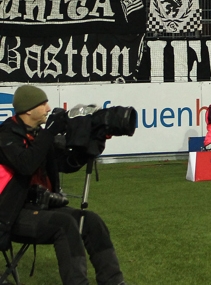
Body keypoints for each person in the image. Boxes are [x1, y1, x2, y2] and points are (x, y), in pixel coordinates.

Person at [0, 85, 127, 285]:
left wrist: (92, 145)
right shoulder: (5, 137)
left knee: (92, 221)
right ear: (28, 109)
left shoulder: (38, 136)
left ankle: (114, 281)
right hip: (11, 215)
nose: (49, 108)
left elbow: (65, 164)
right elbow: (25, 164)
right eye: (43, 104)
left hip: (41, 207)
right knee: (64, 224)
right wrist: (49, 133)